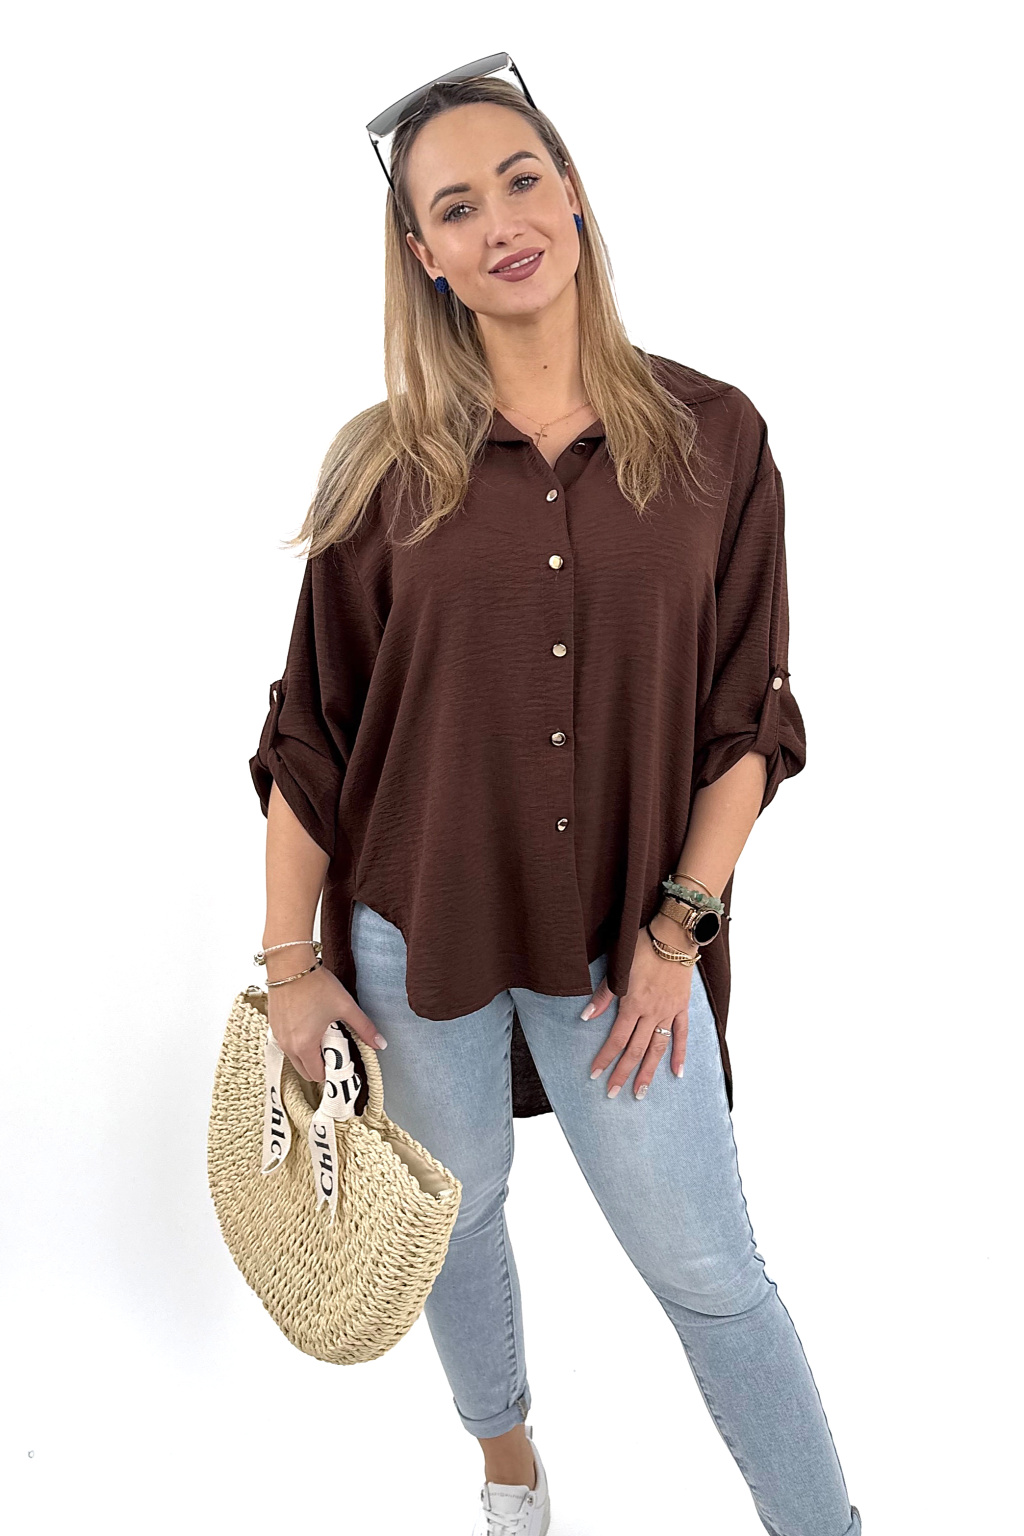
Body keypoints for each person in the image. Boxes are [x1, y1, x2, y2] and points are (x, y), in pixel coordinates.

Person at [250, 59, 862, 1536]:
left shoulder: (717, 437)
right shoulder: (382, 471)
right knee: (454, 1221)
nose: (502, 223)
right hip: (416, 933)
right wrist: (290, 963)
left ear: (574, 192)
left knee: (712, 1273)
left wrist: (678, 930)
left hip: (627, 955)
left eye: (522, 179)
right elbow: (314, 733)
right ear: (424, 254)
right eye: (456, 207)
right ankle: (511, 1478)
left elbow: (748, 715)